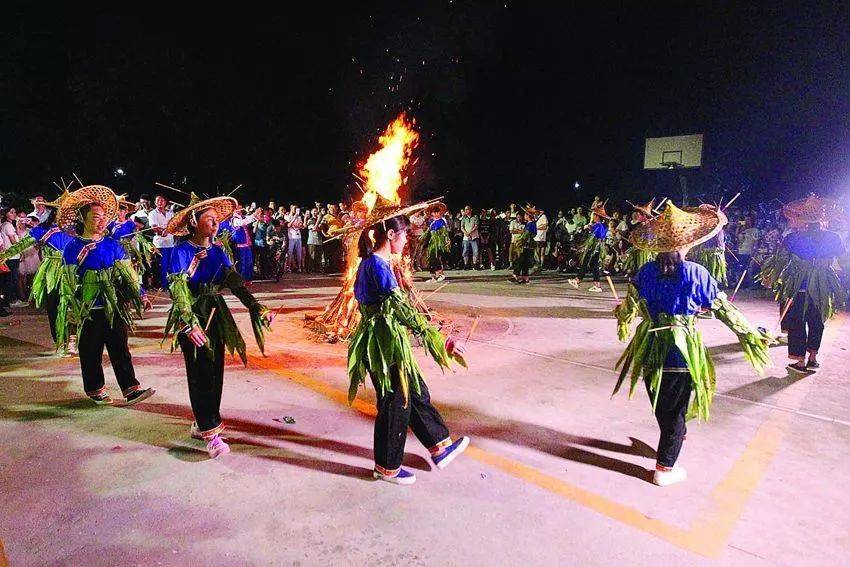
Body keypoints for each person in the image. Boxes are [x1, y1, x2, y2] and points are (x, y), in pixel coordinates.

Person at [613, 202, 771, 486]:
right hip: (681, 349)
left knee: (663, 401)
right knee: (674, 410)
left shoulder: (646, 272)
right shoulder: (697, 273)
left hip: (649, 346)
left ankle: (673, 438)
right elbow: (724, 310)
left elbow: (628, 309)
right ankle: (665, 468)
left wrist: (621, 316)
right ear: (688, 244)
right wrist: (750, 334)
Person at [348, 212, 469, 485]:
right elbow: (403, 312)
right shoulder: (377, 266)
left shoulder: (372, 263)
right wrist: (442, 341)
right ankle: (387, 467)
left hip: (382, 336)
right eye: (404, 235)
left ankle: (439, 446)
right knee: (395, 402)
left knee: (413, 390)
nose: (406, 240)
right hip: (384, 341)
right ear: (391, 235)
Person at [163, 196, 271, 459]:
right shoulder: (181, 251)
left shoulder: (219, 251)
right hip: (192, 316)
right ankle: (211, 435)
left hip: (216, 313)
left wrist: (256, 307)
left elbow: (234, 283)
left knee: (214, 373)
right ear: (193, 222)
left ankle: (204, 423)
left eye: (216, 218)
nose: (215, 223)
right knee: (200, 374)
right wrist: (189, 324)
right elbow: (178, 291)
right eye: (209, 218)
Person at [55, 185, 155, 405]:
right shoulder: (72, 248)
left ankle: (131, 389)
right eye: (95, 217)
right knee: (90, 351)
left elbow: (129, 274)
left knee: (120, 348)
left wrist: (141, 294)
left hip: (113, 307)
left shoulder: (112, 245)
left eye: (103, 217)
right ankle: (95, 388)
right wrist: (71, 310)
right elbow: (69, 282)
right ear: (83, 218)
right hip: (88, 309)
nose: (101, 221)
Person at [772, 195, 845, 373]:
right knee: (817, 321)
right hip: (823, 288)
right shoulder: (834, 238)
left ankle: (800, 362)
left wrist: (772, 278)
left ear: (802, 218)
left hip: (799, 287)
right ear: (822, 218)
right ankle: (812, 358)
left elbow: (780, 261)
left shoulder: (792, 238)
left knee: (797, 322)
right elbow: (844, 261)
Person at [0, 193, 74, 346]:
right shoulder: (42, 230)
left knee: (72, 307)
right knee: (54, 308)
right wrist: (4, 255)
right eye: (62, 211)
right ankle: (60, 340)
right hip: (51, 273)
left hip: (72, 273)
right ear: (55, 213)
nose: (66, 215)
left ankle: (72, 338)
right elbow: (20, 245)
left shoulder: (75, 232)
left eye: (69, 212)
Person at [568, 203, 610, 292]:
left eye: (594, 214)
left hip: (594, 248)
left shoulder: (598, 225)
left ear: (597, 216)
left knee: (586, 263)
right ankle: (596, 285)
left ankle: (578, 281)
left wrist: (588, 227)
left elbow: (594, 235)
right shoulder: (602, 225)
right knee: (593, 265)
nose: (593, 216)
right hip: (597, 248)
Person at [0, 206, 27, 308]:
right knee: (12, 279)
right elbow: (14, 241)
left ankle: (10, 300)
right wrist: (21, 251)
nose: (14, 214)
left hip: (11, 256)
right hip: (11, 256)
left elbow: (17, 237)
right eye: (11, 212)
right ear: (6, 214)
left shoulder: (9, 225)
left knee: (10, 279)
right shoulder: (8, 225)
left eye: (14, 212)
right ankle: (12, 300)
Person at [148, 194, 175, 290]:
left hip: (170, 243)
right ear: (155, 202)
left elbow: (174, 225)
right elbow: (154, 226)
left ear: (165, 202)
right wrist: (162, 231)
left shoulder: (170, 213)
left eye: (162, 200)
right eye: (158, 200)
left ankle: (172, 285)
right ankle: (164, 286)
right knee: (162, 266)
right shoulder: (152, 213)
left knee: (171, 265)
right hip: (159, 244)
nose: (160, 202)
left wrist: (168, 230)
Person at [420, 202, 450, 282]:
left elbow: (445, 233)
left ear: (440, 213)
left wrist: (446, 240)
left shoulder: (442, 221)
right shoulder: (432, 223)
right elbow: (428, 233)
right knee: (431, 259)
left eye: (438, 212)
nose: (436, 213)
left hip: (439, 244)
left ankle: (440, 274)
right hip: (432, 243)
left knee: (436, 258)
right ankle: (433, 277)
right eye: (434, 212)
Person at [510, 211, 536, 284]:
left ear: (528, 216)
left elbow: (526, 235)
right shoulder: (532, 224)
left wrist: (520, 240)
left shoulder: (529, 224)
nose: (524, 216)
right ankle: (525, 278)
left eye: (525, 215)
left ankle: (516, 275)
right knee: (525, 262)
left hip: (526, 245)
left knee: (520, 260)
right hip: (529, 245)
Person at [284, 205, 304, 273]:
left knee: (299, 253)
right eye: (294, 208)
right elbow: (288, 225)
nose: (295, 210)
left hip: (298, 237)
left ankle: (299, 267)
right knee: (290, 253)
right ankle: (289, 267)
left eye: (296, 208)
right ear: (291, 209)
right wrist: (294, 217)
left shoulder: (299, 217)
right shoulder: (287, 216)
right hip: (291, 237)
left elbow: (301, 226)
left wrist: (298, 223)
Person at [460, 205, 479, 270]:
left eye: (467, 209)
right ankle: (466, 265)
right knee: (465, 251)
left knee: (475, 251)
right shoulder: (463, 218)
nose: (466, 211)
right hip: (466, 238)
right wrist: (466, 233)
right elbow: (462, 227)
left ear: (470, 210)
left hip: (474, 237)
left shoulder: (475, 217)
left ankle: (474, 265)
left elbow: (476, 226)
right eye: (465, 209)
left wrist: (469, 232)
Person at [531, 206, 549, 270]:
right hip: (537, 238)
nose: (536, 212)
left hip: (542, 237)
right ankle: (537, 265)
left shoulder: (543, 216)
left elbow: (545, 227)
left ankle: (541, 265)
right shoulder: (536, 217)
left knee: (542, 253)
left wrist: (538, 228)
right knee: (537, 252)